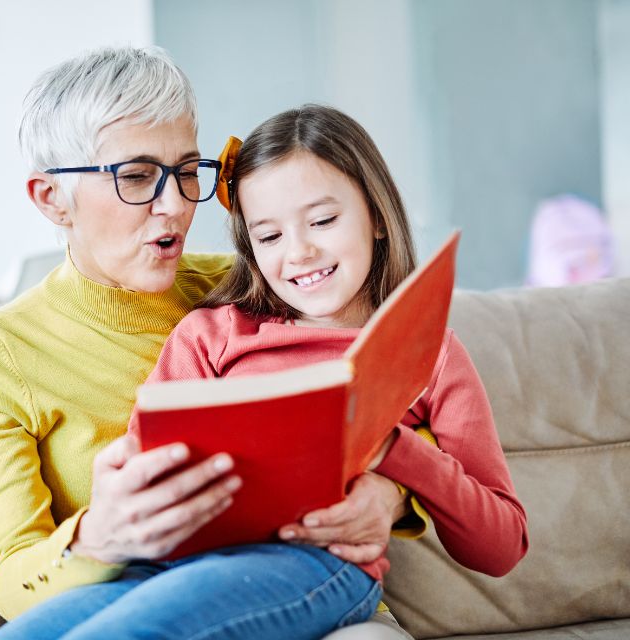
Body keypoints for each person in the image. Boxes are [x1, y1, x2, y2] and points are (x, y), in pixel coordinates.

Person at [0, 47, 423, 640]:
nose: (174, 206)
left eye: (186, 172)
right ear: (51, 198)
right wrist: (100, 538)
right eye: (138, 177)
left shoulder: (260, 281)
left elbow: (400, 388)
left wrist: (390, 494)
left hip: (317, 603)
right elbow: (13, 580)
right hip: (141, 601)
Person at [128, 103, 529, 633]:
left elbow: (501, 547)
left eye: (322, 220)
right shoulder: (213, 336)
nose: (299, 252)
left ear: (379, 219)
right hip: (190, 566)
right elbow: (141, 480)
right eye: (269, 236)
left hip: (322, 567)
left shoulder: (430, 353)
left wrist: (394, 450)